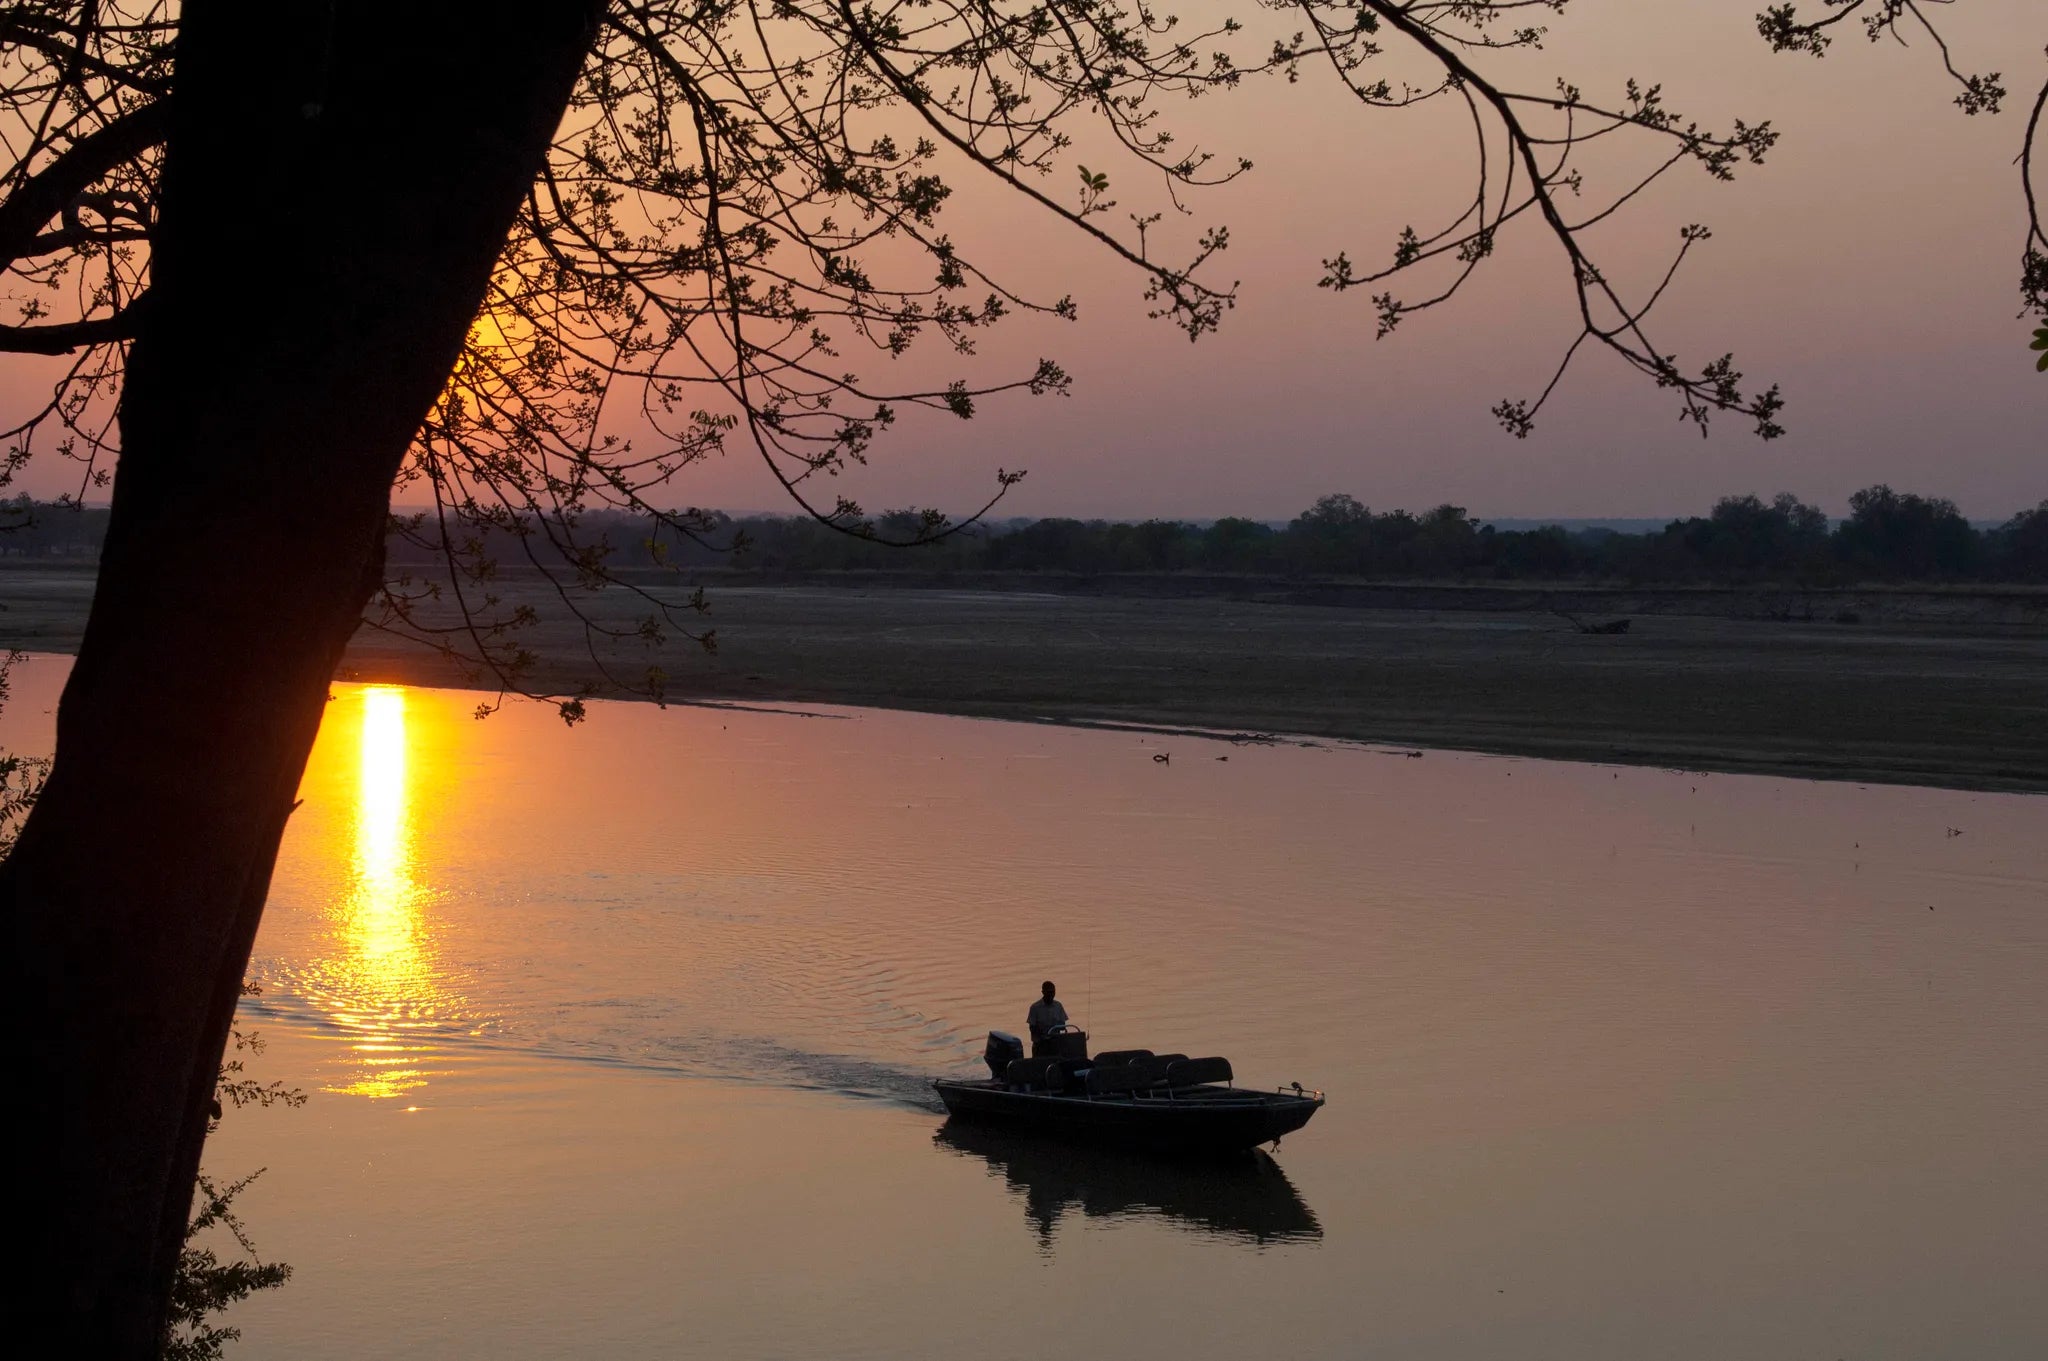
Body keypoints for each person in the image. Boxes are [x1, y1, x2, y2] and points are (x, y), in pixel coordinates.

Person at [1026, 980, 1069, 1051]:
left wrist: (1055, 1029)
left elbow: (1063, 1025)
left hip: (1055, 1043)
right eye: (1049, 992)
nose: (1051, 995)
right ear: (1043, 992)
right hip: (1040, 1045)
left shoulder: (1058, 1006)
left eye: (1053, 992)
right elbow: (1032, 1027)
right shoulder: (1035, 1007)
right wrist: (1043, 1036)